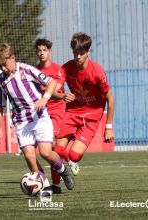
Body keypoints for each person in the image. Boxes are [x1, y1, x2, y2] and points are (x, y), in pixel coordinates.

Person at [0, 43, 74, 192]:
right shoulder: (0, 81)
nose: (3, 69)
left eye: (4, 65)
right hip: (22, 123)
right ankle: (45, 186)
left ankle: (63, 169)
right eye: (0, 66)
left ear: (12, 58)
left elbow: (51, 82)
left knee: (45, 152)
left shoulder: (26, 69)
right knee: (29, 156)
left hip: (40, 118)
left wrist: (45, 99)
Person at [53, 32, 115, 177]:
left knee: (74, 155)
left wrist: (109, 127)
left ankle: (72, 161)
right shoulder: (67, 68)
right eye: (75, 53)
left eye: (81, 53)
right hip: (72, 112)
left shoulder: (97, 72)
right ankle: (58, 183)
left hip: (92, 115)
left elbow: (110, 99)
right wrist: (62, 95)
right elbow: (54, 90)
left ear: (88, 52)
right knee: (57, 150)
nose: (78, 57)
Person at [35, 38, 65, 194]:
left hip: (57, 111)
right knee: (34, 150)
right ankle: (52, 178)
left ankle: (56, 182)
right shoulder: (34, 70)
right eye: (39, 50)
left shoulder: (58, 70)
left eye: (44, 50)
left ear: (49, 52)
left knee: (52, 145)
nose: (41, 53)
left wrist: (43, 88)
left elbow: (57, 92)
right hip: (40, 112)